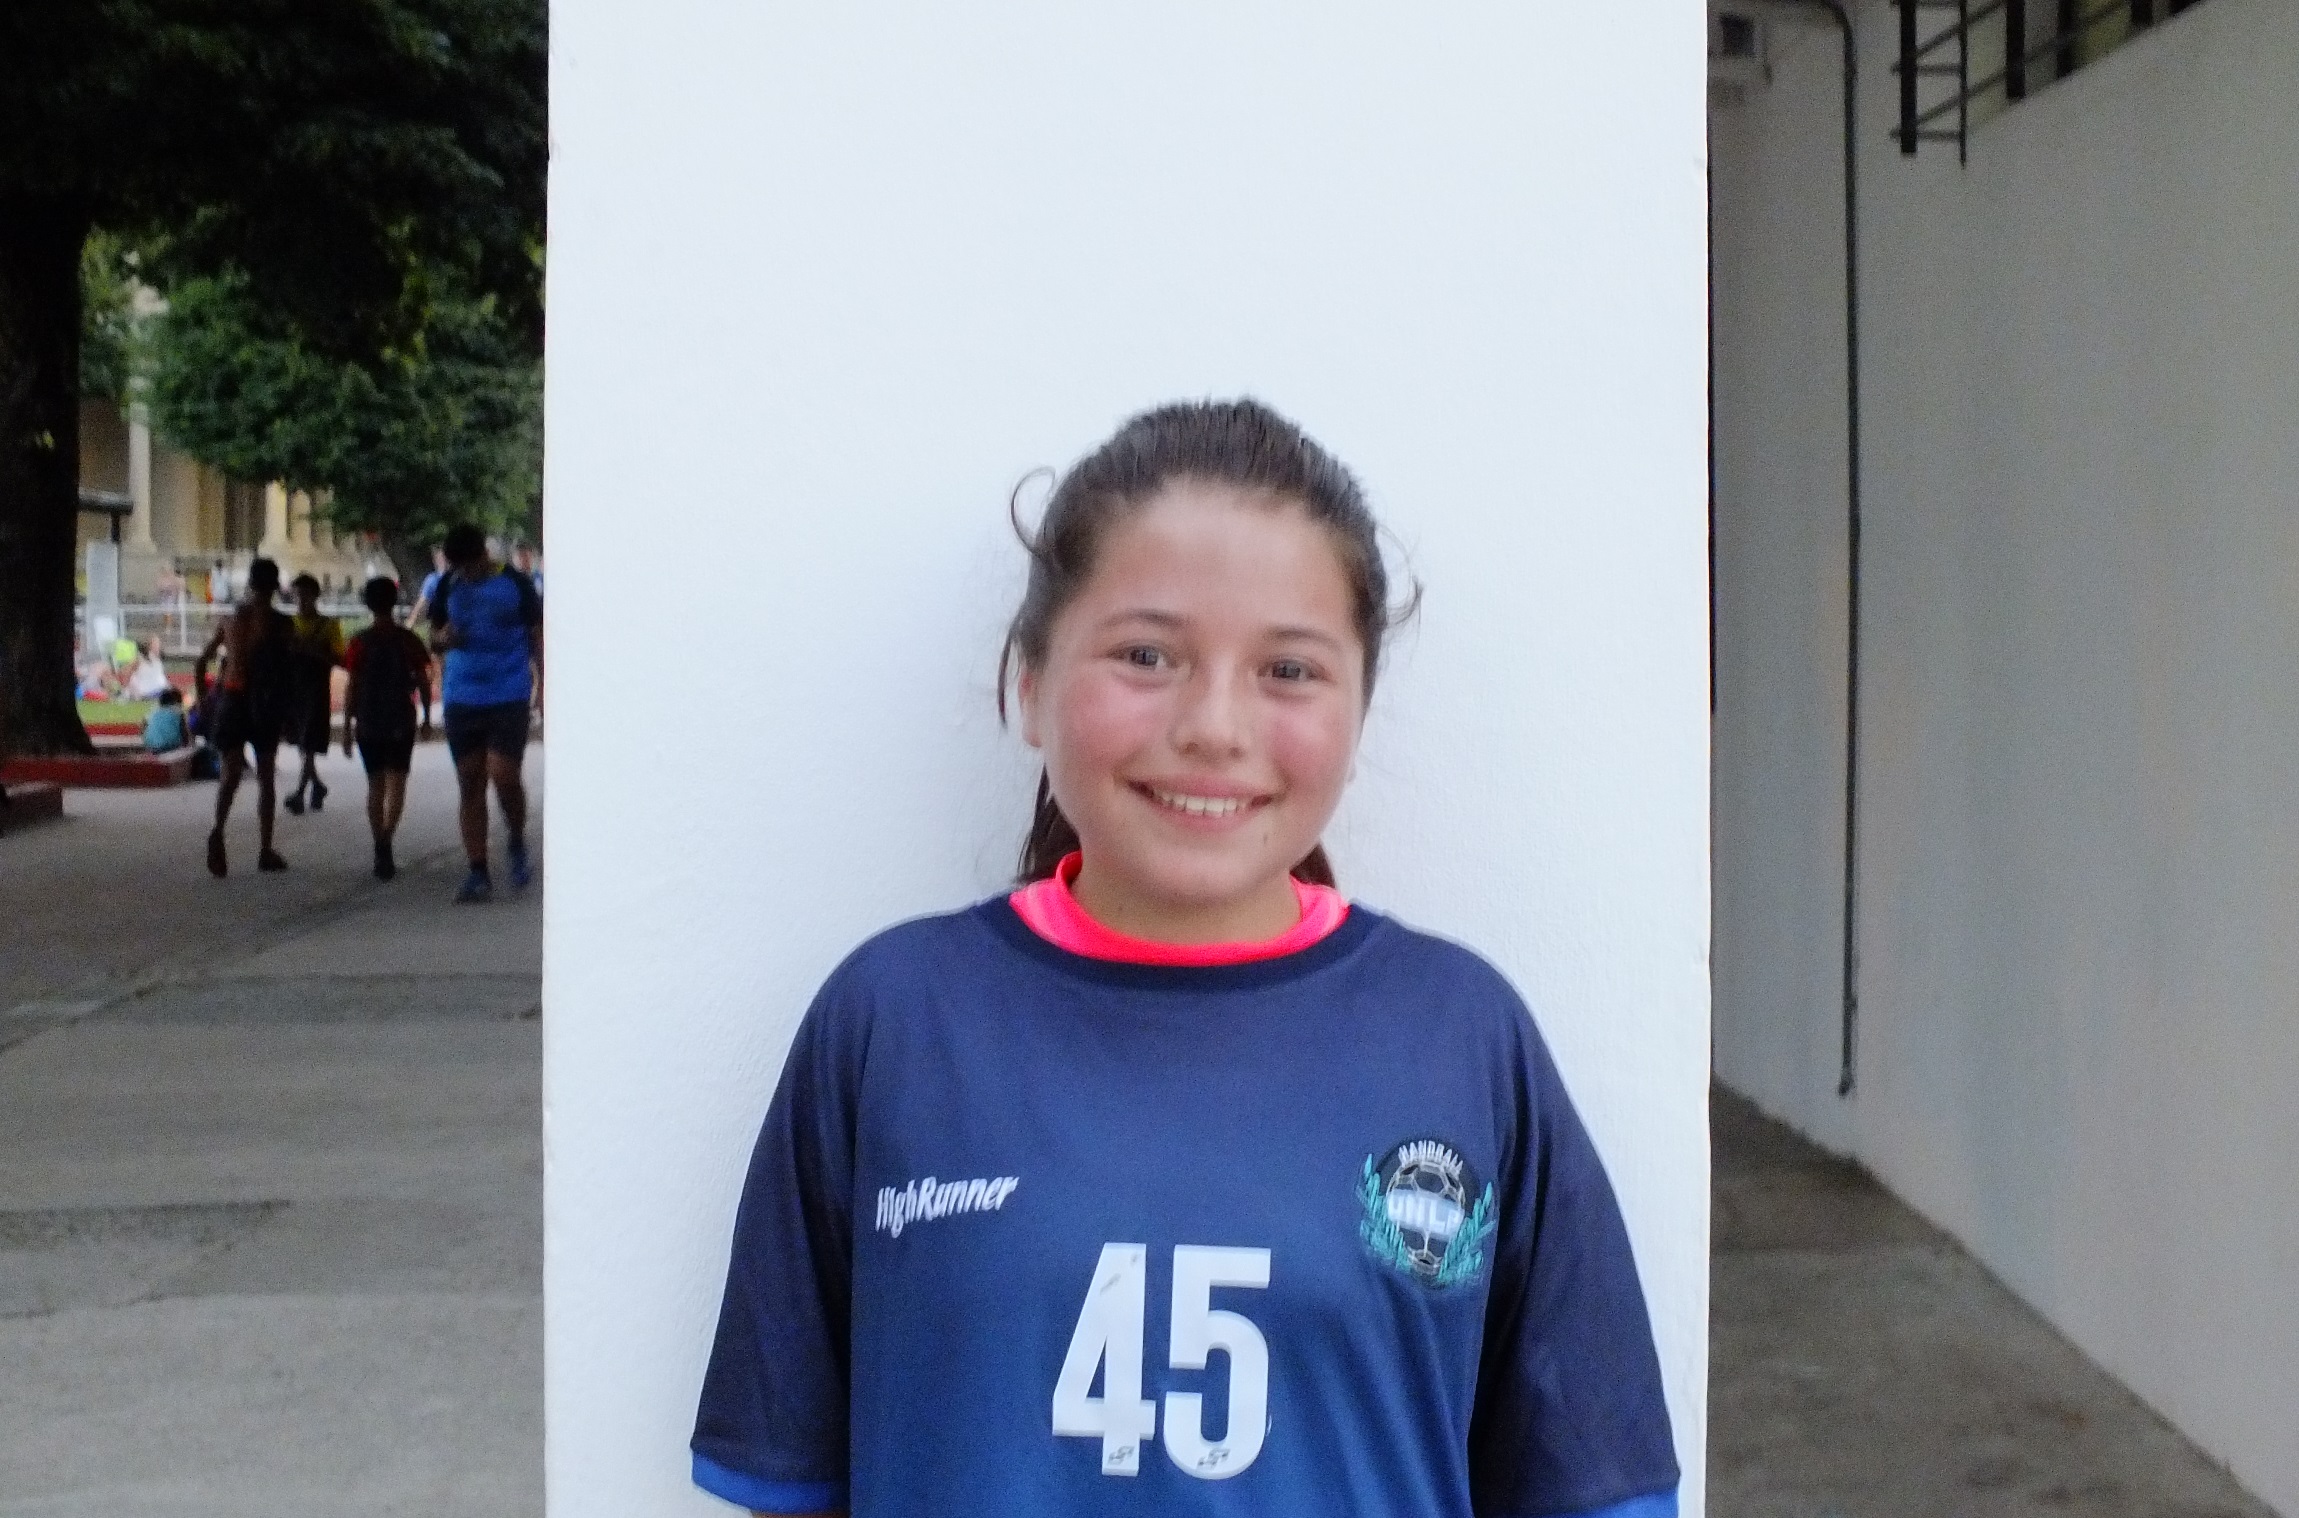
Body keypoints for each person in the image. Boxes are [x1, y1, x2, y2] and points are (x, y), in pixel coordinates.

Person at [688, 401, 1680, 1518]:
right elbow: (788, 1479)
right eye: (1146, 655)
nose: (1214, 725)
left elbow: (1589, 1486)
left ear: (1360, 710)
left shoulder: (1462, 1037)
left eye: (1288, 670)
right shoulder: (891, 1022)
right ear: (1029, 684)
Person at [429, 523, 542, 903]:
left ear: (484, 555)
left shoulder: (515, 583)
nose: (465, 573)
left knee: (503, 773)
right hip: (462, 694)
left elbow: (537, 634)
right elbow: (434, 637)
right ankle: (478, 870)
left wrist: (544, 685)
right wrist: (443, 640)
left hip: (509, 691)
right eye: (458, 567)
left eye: (469, 566)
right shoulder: (448, 585)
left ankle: (516, 837)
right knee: (469, 780)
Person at [194, 556, 293, 877]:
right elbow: (286, 671)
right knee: (266, 777)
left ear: (250, 584)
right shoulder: (280, 624)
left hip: (232, 698)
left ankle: (218, 829)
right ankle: (265, 848)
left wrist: (203, 700)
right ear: (275, 587)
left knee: (230, 774)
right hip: (264, 703)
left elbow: (201, 661)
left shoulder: (231, 620)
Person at [343, 577, 434, 881]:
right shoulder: (408, 640)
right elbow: (424, 681)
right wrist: (426, 717)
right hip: (400, 718)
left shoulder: (359, 642)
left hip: (369, 719)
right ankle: (386, 839)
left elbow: (352, 685)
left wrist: (348, 725)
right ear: (394, 602)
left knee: (375, 785)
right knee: (397, 784)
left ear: (368, 605)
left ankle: (379, 842)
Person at [282, 573, 345, 816]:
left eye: (305, 595)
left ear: (315, 596)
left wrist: (311, 650)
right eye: (297, 596)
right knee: (302, 742)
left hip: (316, 691)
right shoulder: (289, 625)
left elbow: (339, 659)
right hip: (294, 690)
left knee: (308, 742)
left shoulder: (328, 626)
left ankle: (300, 793)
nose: (301, 600)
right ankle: (317, 785)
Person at [142, 688, 190, 752]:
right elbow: (184, 734)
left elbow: (144, 726)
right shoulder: (178, 712)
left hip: (152, 747)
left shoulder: (152, 713)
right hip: (172, 747)